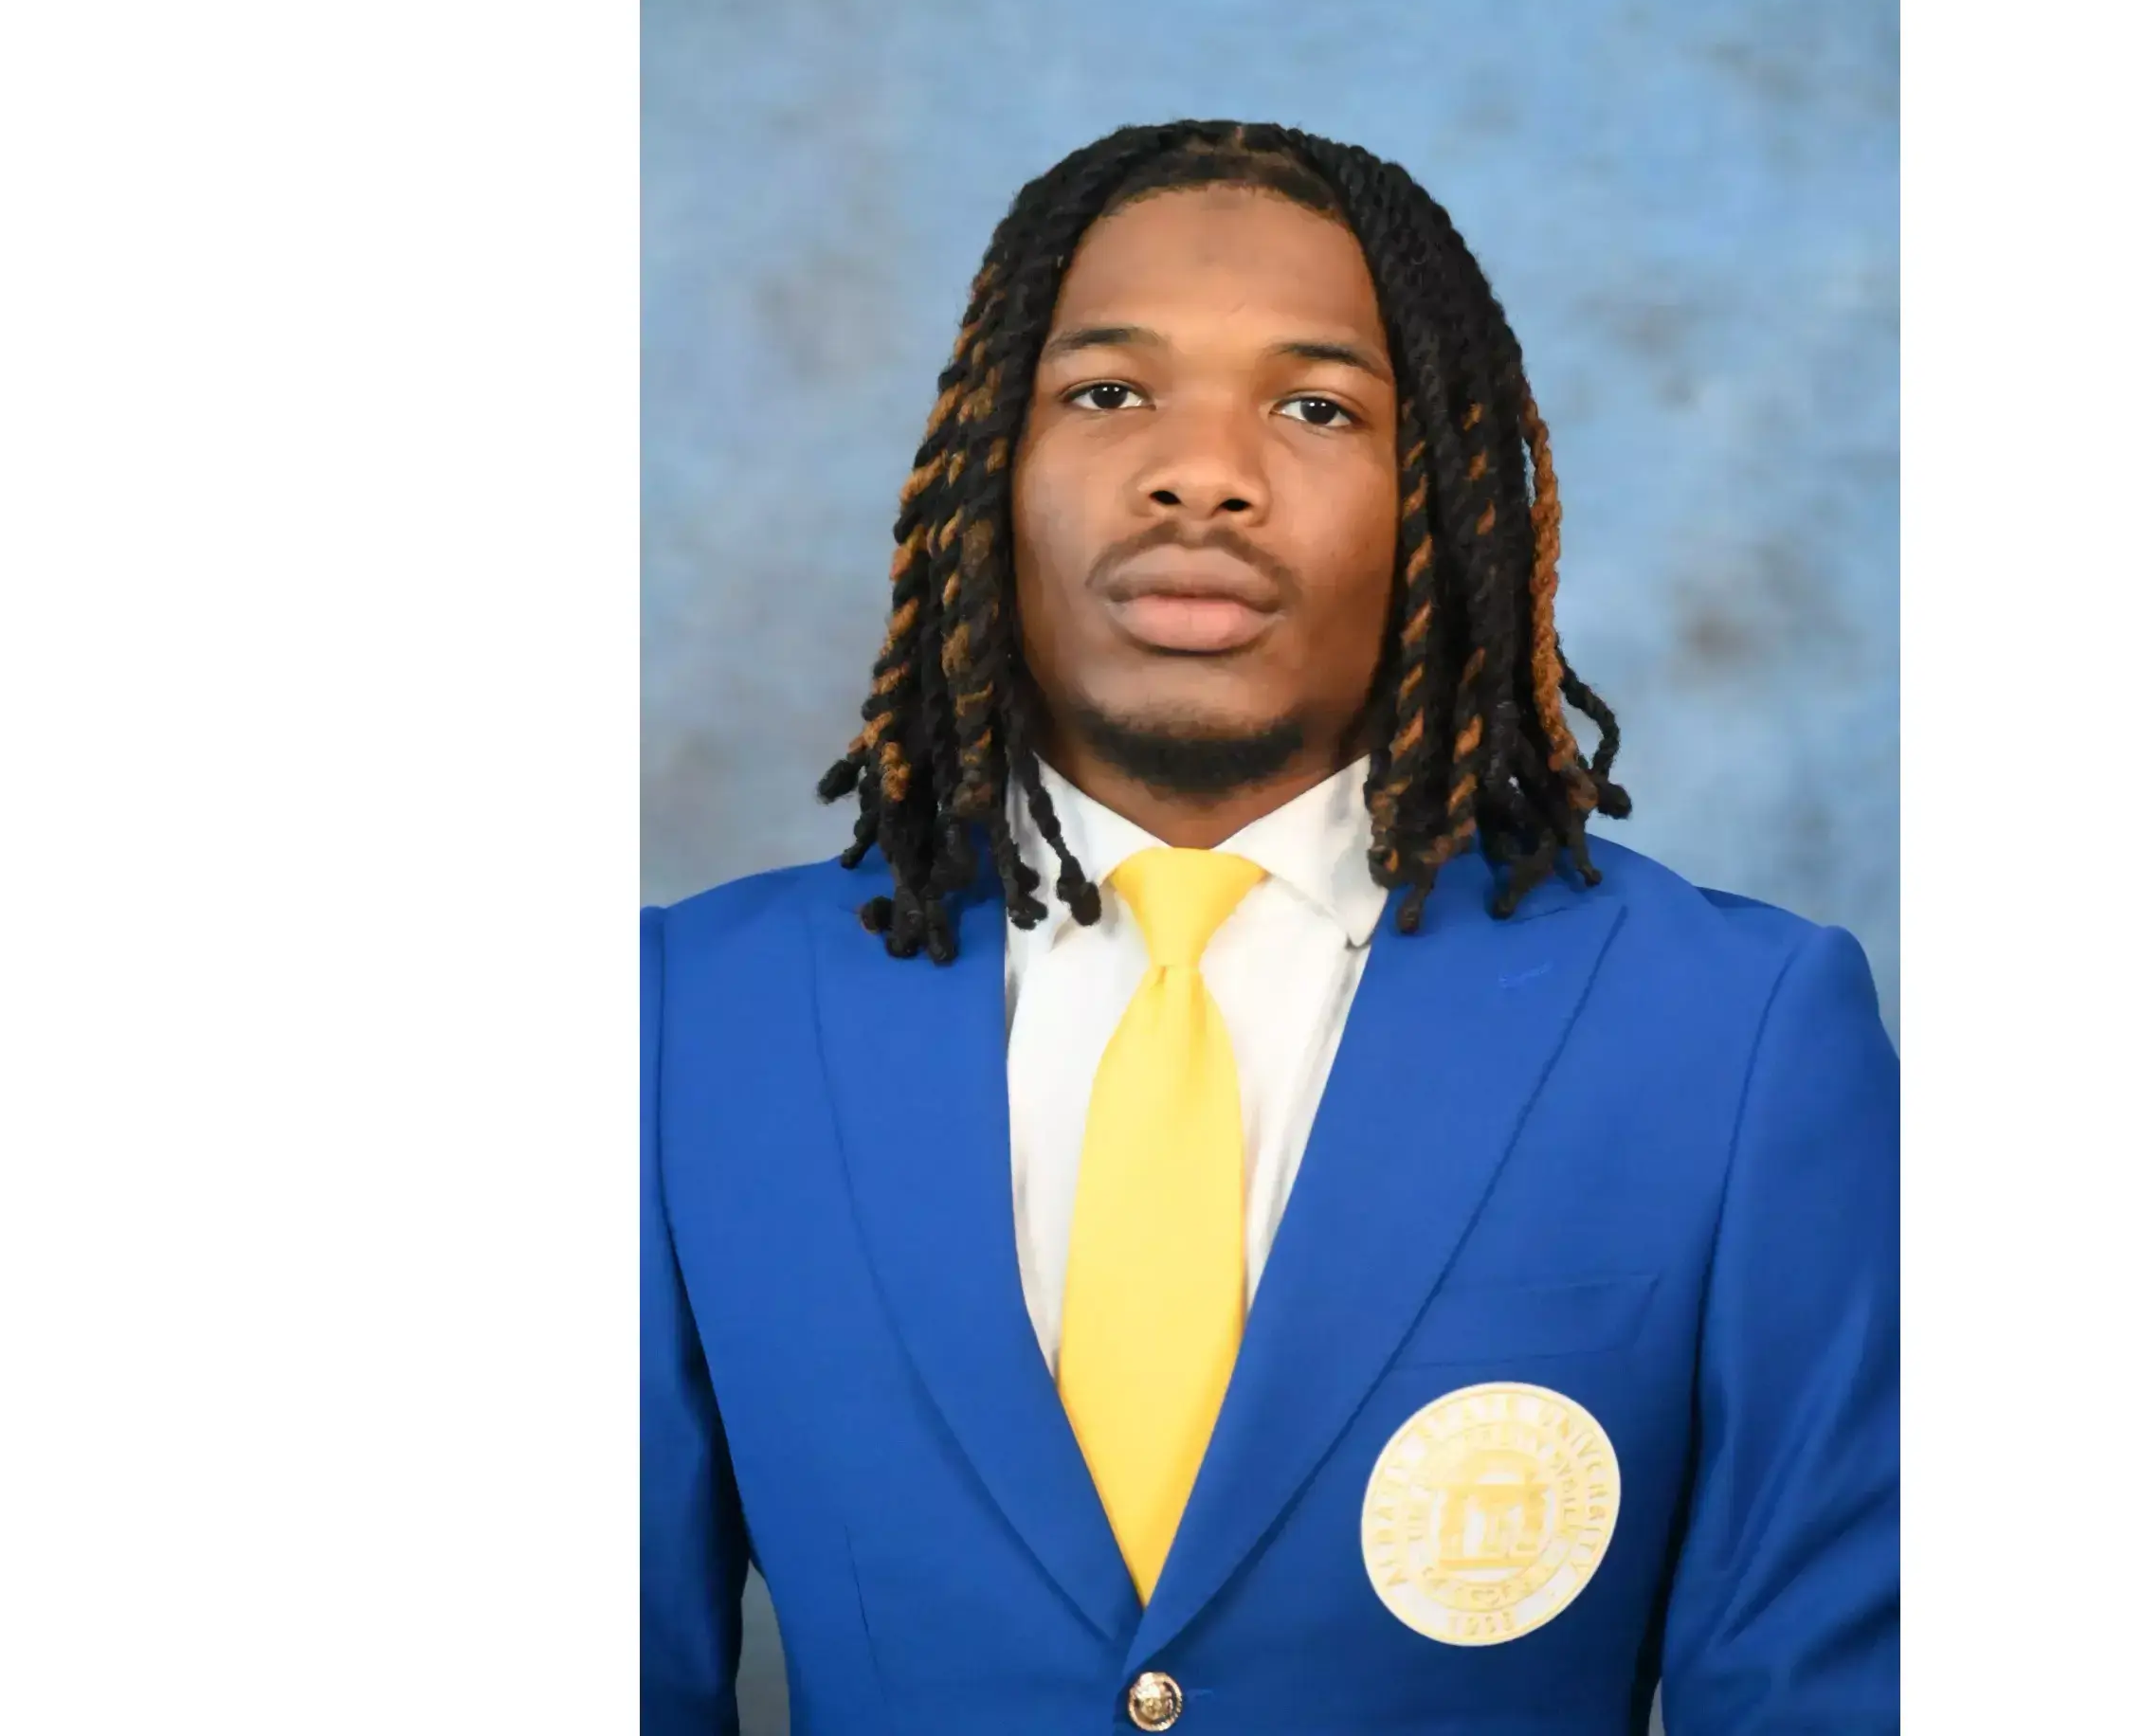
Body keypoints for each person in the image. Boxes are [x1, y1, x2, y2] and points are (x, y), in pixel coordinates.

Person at [644, 120, 1896, 1734]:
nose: (1201, 473)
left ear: (1442, 500)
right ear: (982, 469)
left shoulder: (1737, 1035)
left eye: (1315, 407)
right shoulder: (688, 1024)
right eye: (1109, 393)